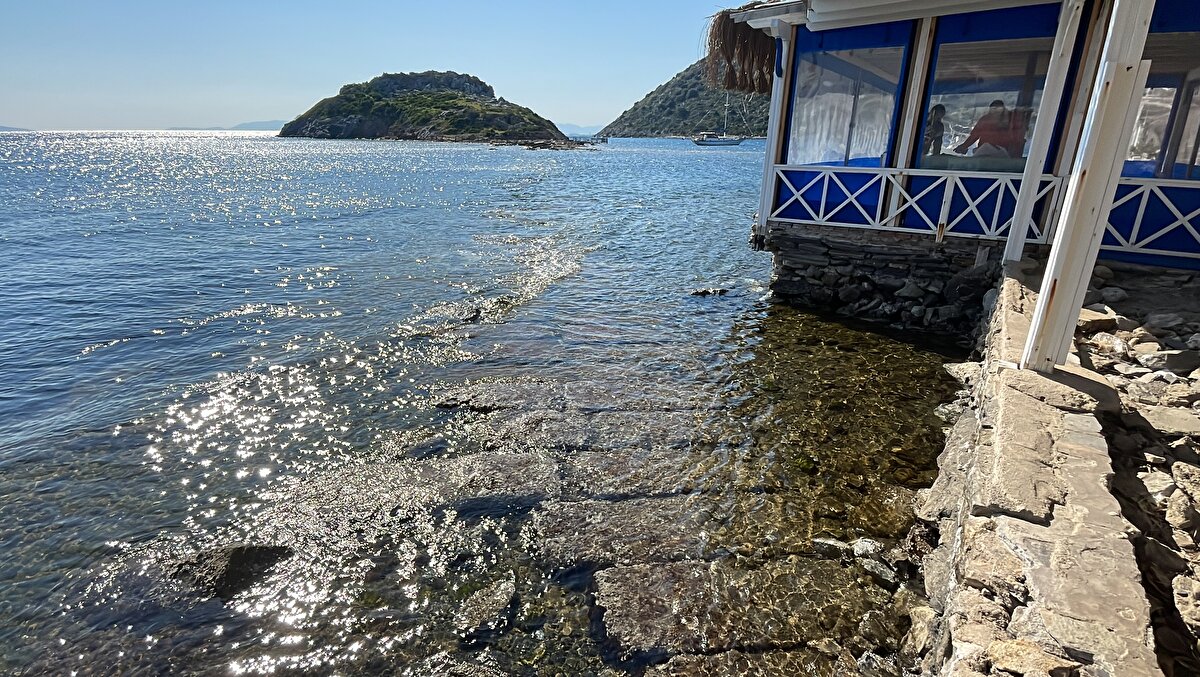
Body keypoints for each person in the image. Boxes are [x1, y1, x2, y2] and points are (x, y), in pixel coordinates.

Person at [955, 100, 1023, 158]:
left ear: (1003, 109)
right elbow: (974, 136)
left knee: (986, 147)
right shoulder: (984, 120)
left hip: (1003, 154)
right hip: (983, 155)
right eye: (993, 109)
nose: (996, 111)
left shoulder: (1011, 120)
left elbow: (1017, 138)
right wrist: (963, 146)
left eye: (998, 109)